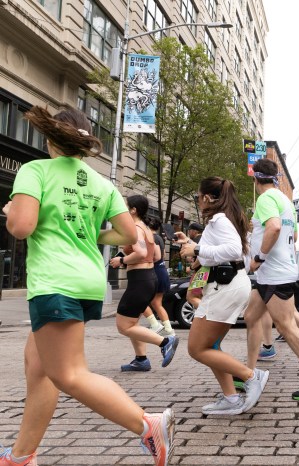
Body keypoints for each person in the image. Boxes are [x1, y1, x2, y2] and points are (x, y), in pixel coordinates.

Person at [0, 106, 173, 466]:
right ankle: (21, 456)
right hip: (87, 281)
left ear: (51, 139)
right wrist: (93, 232)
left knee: (69, 374)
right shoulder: (102, 183)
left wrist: (12, 210)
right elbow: (127, 234)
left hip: (55, 280)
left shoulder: (35, 171)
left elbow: (21, 227)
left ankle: (146, 425)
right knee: (39, 366)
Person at [175, 177, 268, 415]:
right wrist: (193, 248)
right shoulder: (231, 218)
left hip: (224, 287)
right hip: (227, 284)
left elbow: (233, 250)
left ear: (207, 197)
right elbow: (227, 254)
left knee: (197, 348)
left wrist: (196, 248)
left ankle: (250, 376)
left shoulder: (219, 220)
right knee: (211, 345)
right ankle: (231, 398)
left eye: (198, 196)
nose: (198, 200)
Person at [243, 158, 299, 401]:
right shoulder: (285, 200)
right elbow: (290, 233)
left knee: (285, 326)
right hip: (272, 274)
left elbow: (273, 228)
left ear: (255, 177)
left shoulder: (265, 199)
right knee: (251, 317)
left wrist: (258, 258)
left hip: (273, 273)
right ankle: (249, 373)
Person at [110, 195, 179, 372]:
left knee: (123, 326)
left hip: (140, 280)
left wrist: (122, 260)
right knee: (132, 324)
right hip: (147, 278)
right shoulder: (146, 228)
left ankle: (165, 341)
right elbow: (151, 255)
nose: (123, 209)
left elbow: (140, 252)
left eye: (126, 206)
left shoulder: (135, 227)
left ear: (133, 210)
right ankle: (141, 359)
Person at [142, 217, 175, 337]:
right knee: (157, 303)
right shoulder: (160, 238)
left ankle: (154, 324)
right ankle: (168, 328)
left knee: (141, 301)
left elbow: (157, 256)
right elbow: (164, 254)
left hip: (154, 271)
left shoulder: (152, 237)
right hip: (161, 271)